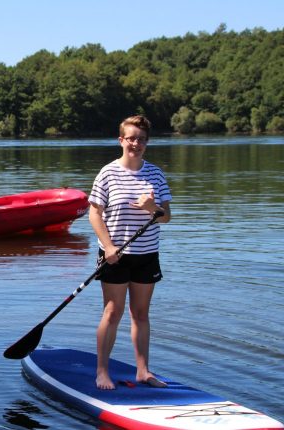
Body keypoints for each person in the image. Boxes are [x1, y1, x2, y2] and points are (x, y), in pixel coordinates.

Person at [87, 115, 172, 390]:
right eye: (131, 138)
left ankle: (143, 371)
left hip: (147, 253)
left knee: (141, 313)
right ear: (121, 140)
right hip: (115, 254)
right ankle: (102, 372)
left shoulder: (156, 174)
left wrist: (151, 208)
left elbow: (166, 216)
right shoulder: (107, 173)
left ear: (147, 143)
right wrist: (108, 246)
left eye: (142, 139)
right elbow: (94, 215)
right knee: (113, 312)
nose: (136, 143)